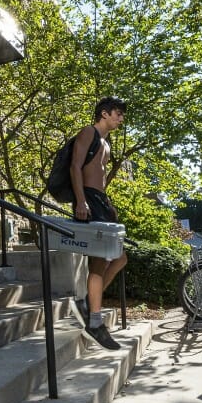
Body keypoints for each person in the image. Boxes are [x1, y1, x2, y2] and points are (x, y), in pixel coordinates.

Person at [69, 96, 129, 350]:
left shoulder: (105, 142)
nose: (121, 118)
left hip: (100, 201)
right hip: (89, 200)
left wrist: (108, 204)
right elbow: (75, 167)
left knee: (120, 258)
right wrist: (81, 201)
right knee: (101, 259)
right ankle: (94, 321)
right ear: (104, 113)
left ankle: (87, 303)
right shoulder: (88, 132)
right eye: (117, 113)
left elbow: (99, 176)